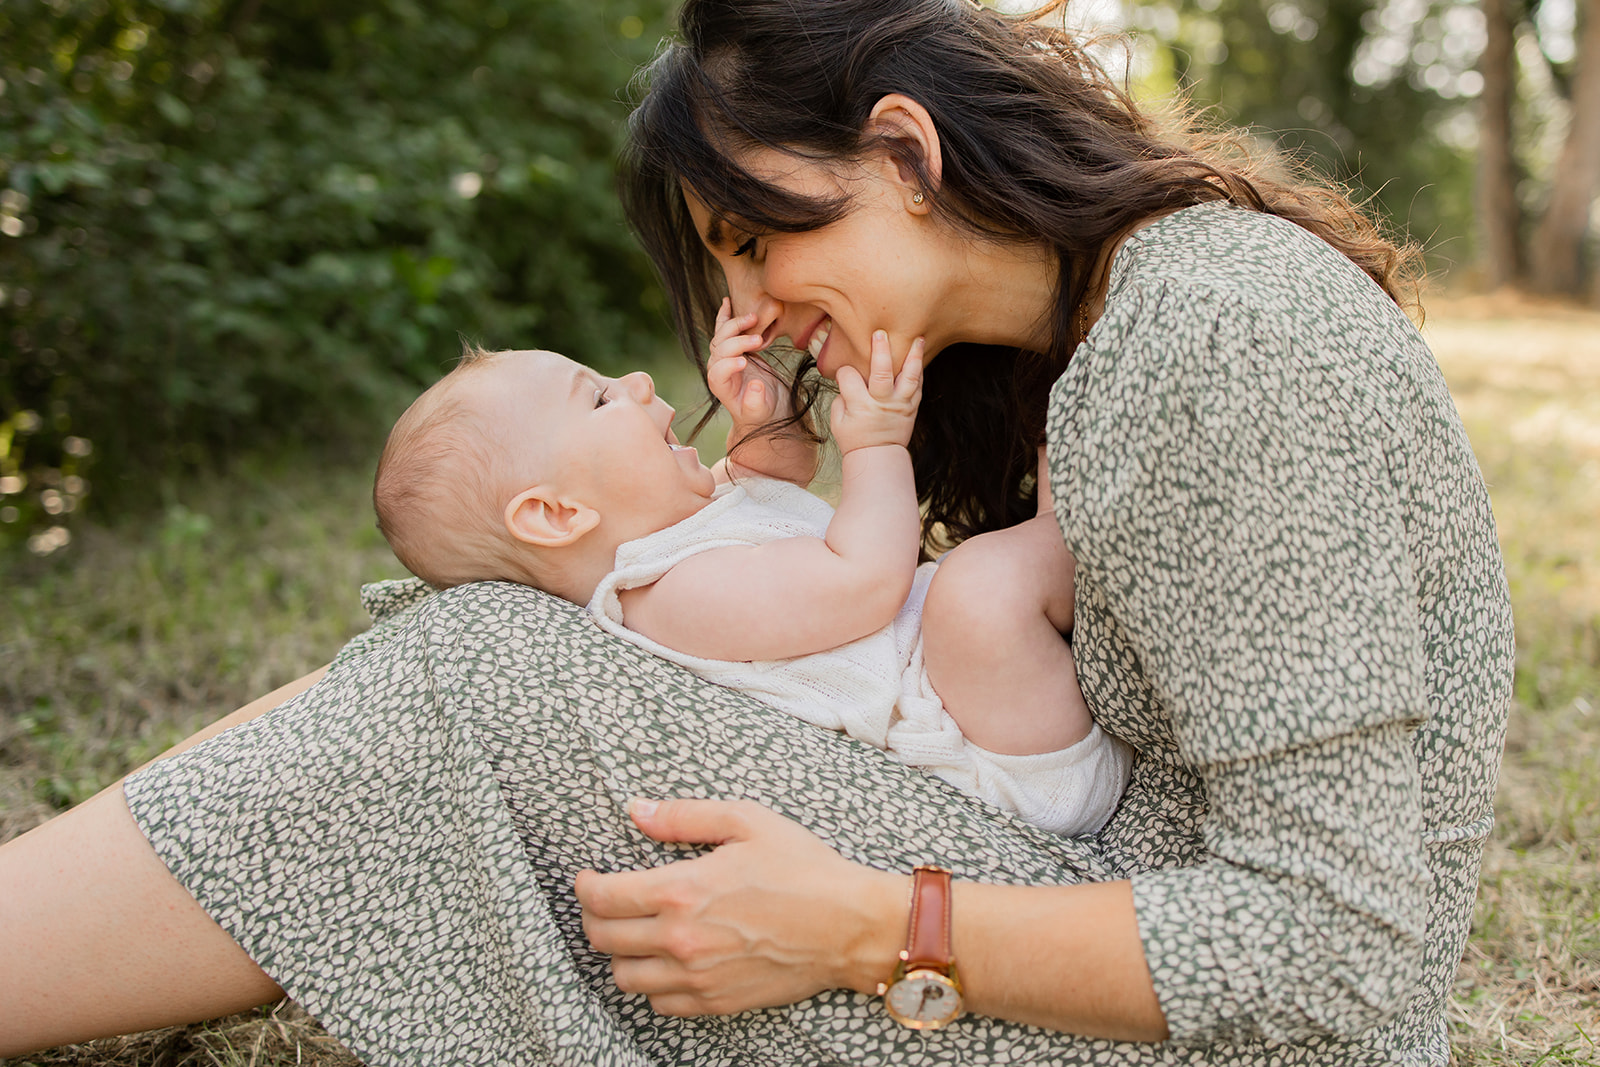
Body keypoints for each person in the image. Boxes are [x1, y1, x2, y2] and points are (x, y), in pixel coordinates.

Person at [0, 1, 1513, 1064]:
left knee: (474, 674)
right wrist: (783, 431)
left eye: (758, 240)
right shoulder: (1119, 322)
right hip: (1098, 915)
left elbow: (1348, 951)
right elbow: (771, 592)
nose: (752, 308)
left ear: (906, 154)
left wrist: (873, 923)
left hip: (1215, 1036)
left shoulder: (1222, 341)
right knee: (481, 647)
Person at [369, 335, 1130, 836]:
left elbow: (772, 482)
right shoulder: (672, 599)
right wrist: (874, 445)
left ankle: (1073, 520)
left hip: (983, 693)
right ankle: (1090, 527)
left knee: (983, 582)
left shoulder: (683, 535)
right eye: (600, 397)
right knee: (977, 588)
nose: (633, 379)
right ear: (556, 513)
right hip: (1006, 769)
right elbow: (862, 579)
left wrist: (762, 418)